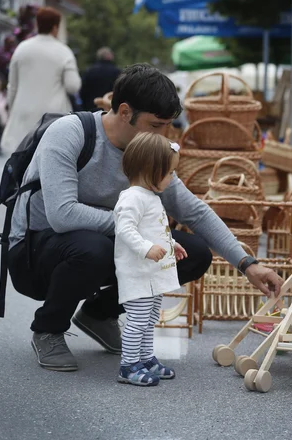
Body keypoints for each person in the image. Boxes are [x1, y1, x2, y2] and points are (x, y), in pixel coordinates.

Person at [7, 63, 283, 372]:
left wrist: (248, 264)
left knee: (194, 254)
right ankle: (48, 328)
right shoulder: (70, 133)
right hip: (35, 252)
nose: (162, 135)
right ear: (125, 112)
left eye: (167, 126)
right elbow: (62, 215)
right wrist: (136, 229)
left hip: (102, 240)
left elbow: (194, 211)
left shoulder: (149, 151)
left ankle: (99, 315)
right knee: (93, 247)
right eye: (155, 125)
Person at [115, 133, 185, 386]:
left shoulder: (149, 196)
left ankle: (145, 358)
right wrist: (145, 248)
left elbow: (153, 229)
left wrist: (171, 244)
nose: (171, 178)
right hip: (138, 274)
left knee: (151, 317)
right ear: (150, 170)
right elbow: (124, 229)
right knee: (138, 320)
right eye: (168, 173)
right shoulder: (132, 198)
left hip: (152, 275)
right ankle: (128, 365)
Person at [0, 7, 81, 155]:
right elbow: (73, 86)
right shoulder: (64, 52)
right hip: (53, 116)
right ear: (55, 27)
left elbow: (12, 86)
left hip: (23, 113)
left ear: (38, 24)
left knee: (20, 163)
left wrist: (14, 110)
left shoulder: (21, 49)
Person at [80, 47, 121, 111]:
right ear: (109, 56)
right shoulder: (117, 72)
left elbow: (83, 91)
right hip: (110, 107)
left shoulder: (89, 71)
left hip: (91, 107)